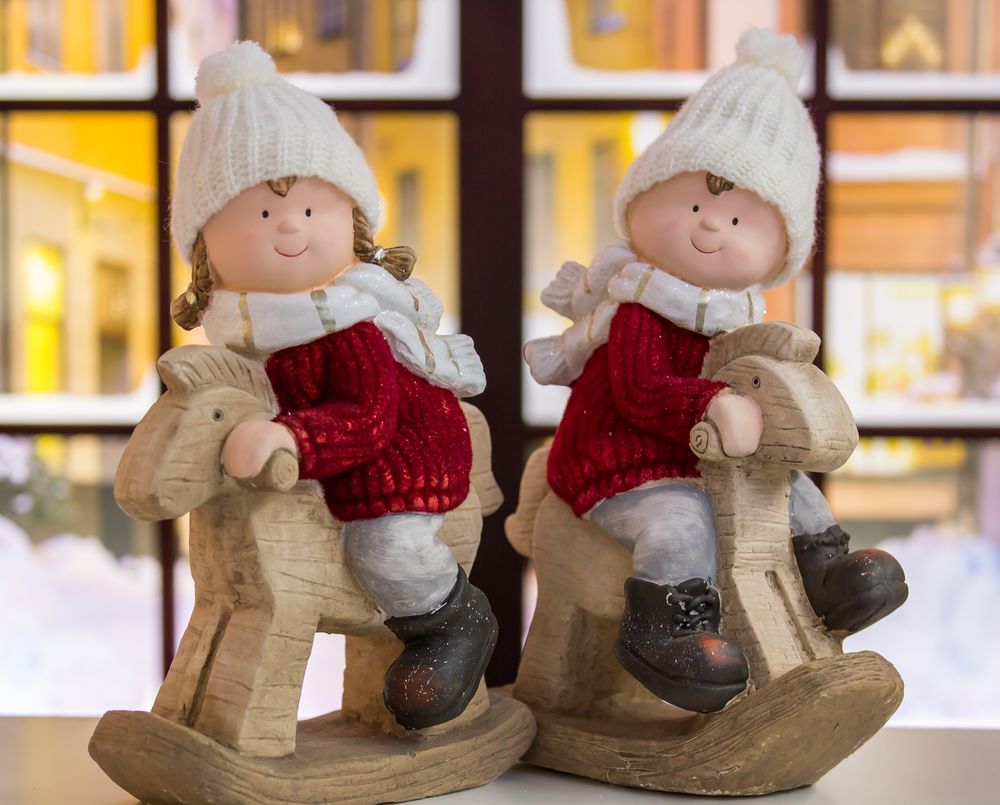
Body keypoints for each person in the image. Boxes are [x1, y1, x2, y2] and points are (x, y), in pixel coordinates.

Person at [525, 29, 907, 714]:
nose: (709, 228)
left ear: (780, 250)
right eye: (694, 205)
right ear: (640, 201)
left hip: (704, 457)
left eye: (738, 220)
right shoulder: (641, 303)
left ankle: (824, 571)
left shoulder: (736, 317)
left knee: (791, 487)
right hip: (623, 459)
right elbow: (642, 392)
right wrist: (709, 406)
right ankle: (664, 627)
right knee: (683, 519)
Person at [170, 41, 496, 730]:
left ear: (353, 224)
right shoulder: (250, 335)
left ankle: (450, 618)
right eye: (261, 214)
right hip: (331, 458)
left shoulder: (345, 325)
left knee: (384, 546)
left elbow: (368, 417)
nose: (290, 225)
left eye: (313, 210)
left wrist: (288, 437)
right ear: (205, 250)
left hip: (395, 460)